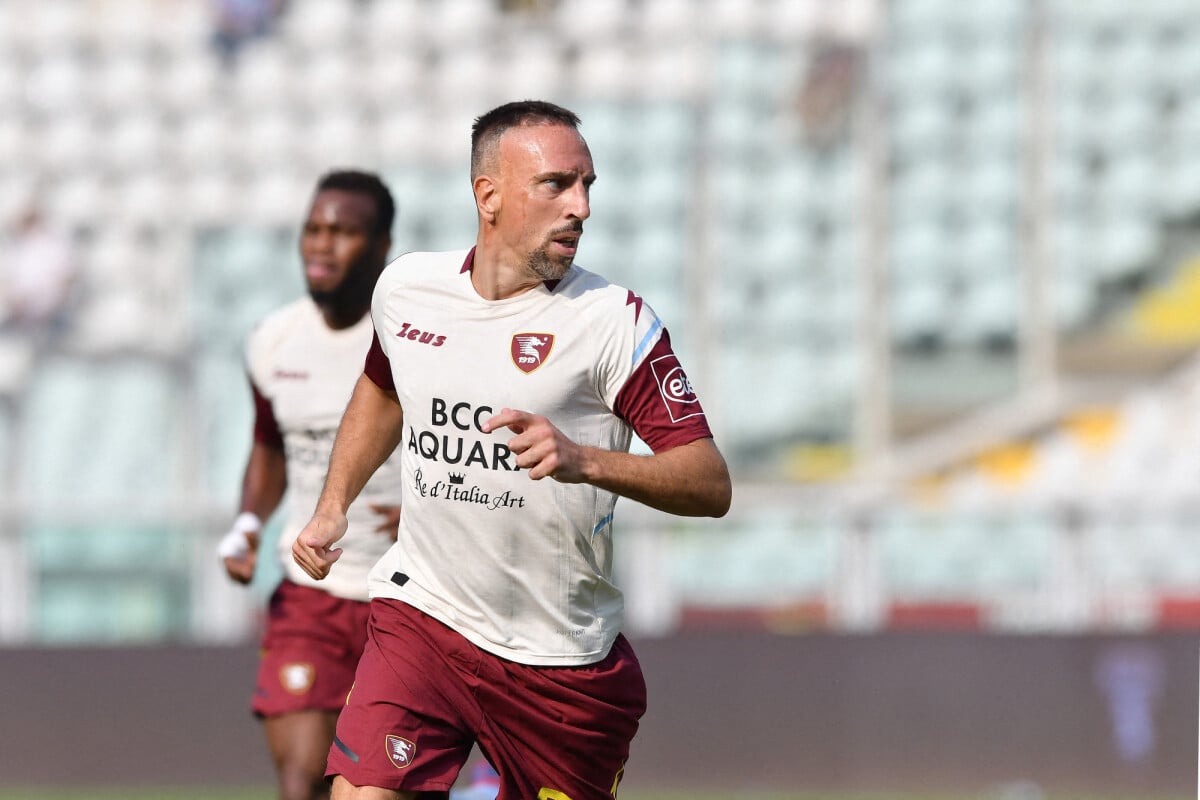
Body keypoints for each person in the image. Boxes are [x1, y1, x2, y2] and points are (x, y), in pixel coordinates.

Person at [292, 100, 732, 799]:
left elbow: (709, 483)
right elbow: (382, 388)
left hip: (558, 660)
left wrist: (584, 459)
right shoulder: (409, 291)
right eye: (556, 184)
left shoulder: (616, 324)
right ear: (488, 196)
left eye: (587, 185)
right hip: (424, 618)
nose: (581, 206)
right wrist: (332, 506)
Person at [218, 170, 407, 800]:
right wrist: (248, 525)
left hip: (408, 597)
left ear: (382, 246)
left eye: (343, 232)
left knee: (378, 786)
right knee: (301, 781)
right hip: (310, 593)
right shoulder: (273, 340)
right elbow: (269, 447)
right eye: (313, 229)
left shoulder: (414, 338)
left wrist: (429, 509)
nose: (321, 245)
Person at [0, 203, 78, 342]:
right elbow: (7, 282)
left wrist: (50, 305)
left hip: (51, 311)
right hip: (20, 312)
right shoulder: (15, 247)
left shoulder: (54, 246)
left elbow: (67, 279)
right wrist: (16, 303)